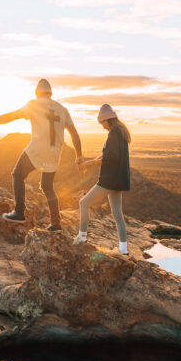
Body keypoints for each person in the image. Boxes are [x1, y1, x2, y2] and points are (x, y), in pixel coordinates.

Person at [0, 78, 83, 231]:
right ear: (50, 93)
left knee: (17, 175)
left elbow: (11, 117)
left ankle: (19, 212)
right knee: (47, 186)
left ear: (37, 92)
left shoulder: (34, 104)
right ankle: (56, 223)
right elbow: (74, 134)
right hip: (55, 152)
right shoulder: (62, 109)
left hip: (37, 149)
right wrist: (79, 156)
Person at [75, 104, 131, 254]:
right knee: (117, 214)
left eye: (102, 123)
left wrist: (91, 163)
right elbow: (109, 155)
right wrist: (90, 162)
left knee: (84, 203)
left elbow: (110, 157)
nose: (102, 126)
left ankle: (82, 237)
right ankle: (123, 250)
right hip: (119, 180)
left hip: (110, 180)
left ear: (107, 120)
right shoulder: (121, 132)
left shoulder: (114, 133)